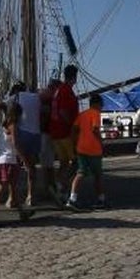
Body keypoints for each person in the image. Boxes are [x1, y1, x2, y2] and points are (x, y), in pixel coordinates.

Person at [0, 102, 33, 227]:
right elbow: (15, 144)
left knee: (13, 187)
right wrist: (24, 160)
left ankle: (22, 213)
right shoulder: (13, 126)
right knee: (2, 189)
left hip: (2, 159)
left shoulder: (3, 125)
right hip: (9, 160)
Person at [65, 93, 106, 211]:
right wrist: (101, 141)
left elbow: (74, 129)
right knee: (97, 175)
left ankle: (72, 199)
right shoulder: (95, 113)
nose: (102, 107)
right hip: (94, 149)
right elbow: (95, 129)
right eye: (101, 105)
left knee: (80, 173)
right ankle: (101, 199)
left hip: (81, 148)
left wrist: (75, 142)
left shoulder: (82, 114)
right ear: (97, 104)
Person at [49, 65, 80, 203]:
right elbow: (63, 112)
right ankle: (62, 187)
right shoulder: (66, 91)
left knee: (64, 162)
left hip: (56, 132)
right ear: (74, 77)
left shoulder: (59, 90)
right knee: (76, 162)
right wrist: (73, 127)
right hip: (65, 133)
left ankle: (58, 185)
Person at [9, 82, 41, 206]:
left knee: (15, 167)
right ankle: (30, 196)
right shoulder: (35, 97)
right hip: (35, 134)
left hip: (21, 133)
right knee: (31, 168)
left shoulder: (14, 98)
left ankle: (12, 197)